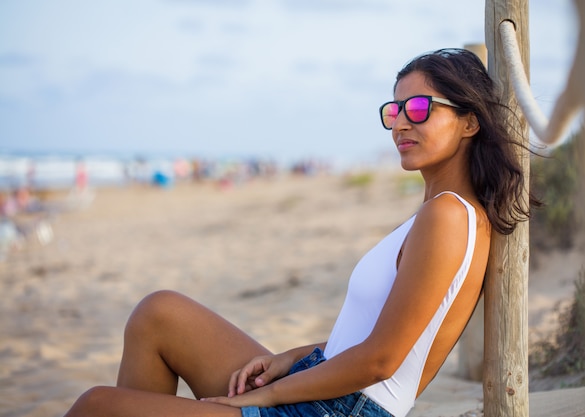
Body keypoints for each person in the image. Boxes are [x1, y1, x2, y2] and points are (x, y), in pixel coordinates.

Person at [64, 48, 533, 417]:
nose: (402, 122)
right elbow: (376, 336)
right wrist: (293, 356)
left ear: (470, 121)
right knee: (158, 314)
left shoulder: (448, 216)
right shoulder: (438, 211)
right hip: (327, 381)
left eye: (419, 107)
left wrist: (268, 397)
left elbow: (382, 361)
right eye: (395, 110)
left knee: (96, 408)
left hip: (342, 408)